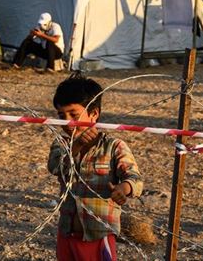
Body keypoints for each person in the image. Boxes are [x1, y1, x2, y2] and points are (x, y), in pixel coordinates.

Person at [47, 75, 143, 261]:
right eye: (61, 116)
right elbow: (54, 167)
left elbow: (135, 178)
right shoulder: (61, 145)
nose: (68, 123)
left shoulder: (114, 147)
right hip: (66, 234)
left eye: (74, 115)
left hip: (98, 235)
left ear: (94, 114)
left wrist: (123, 189)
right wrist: (74, 148)